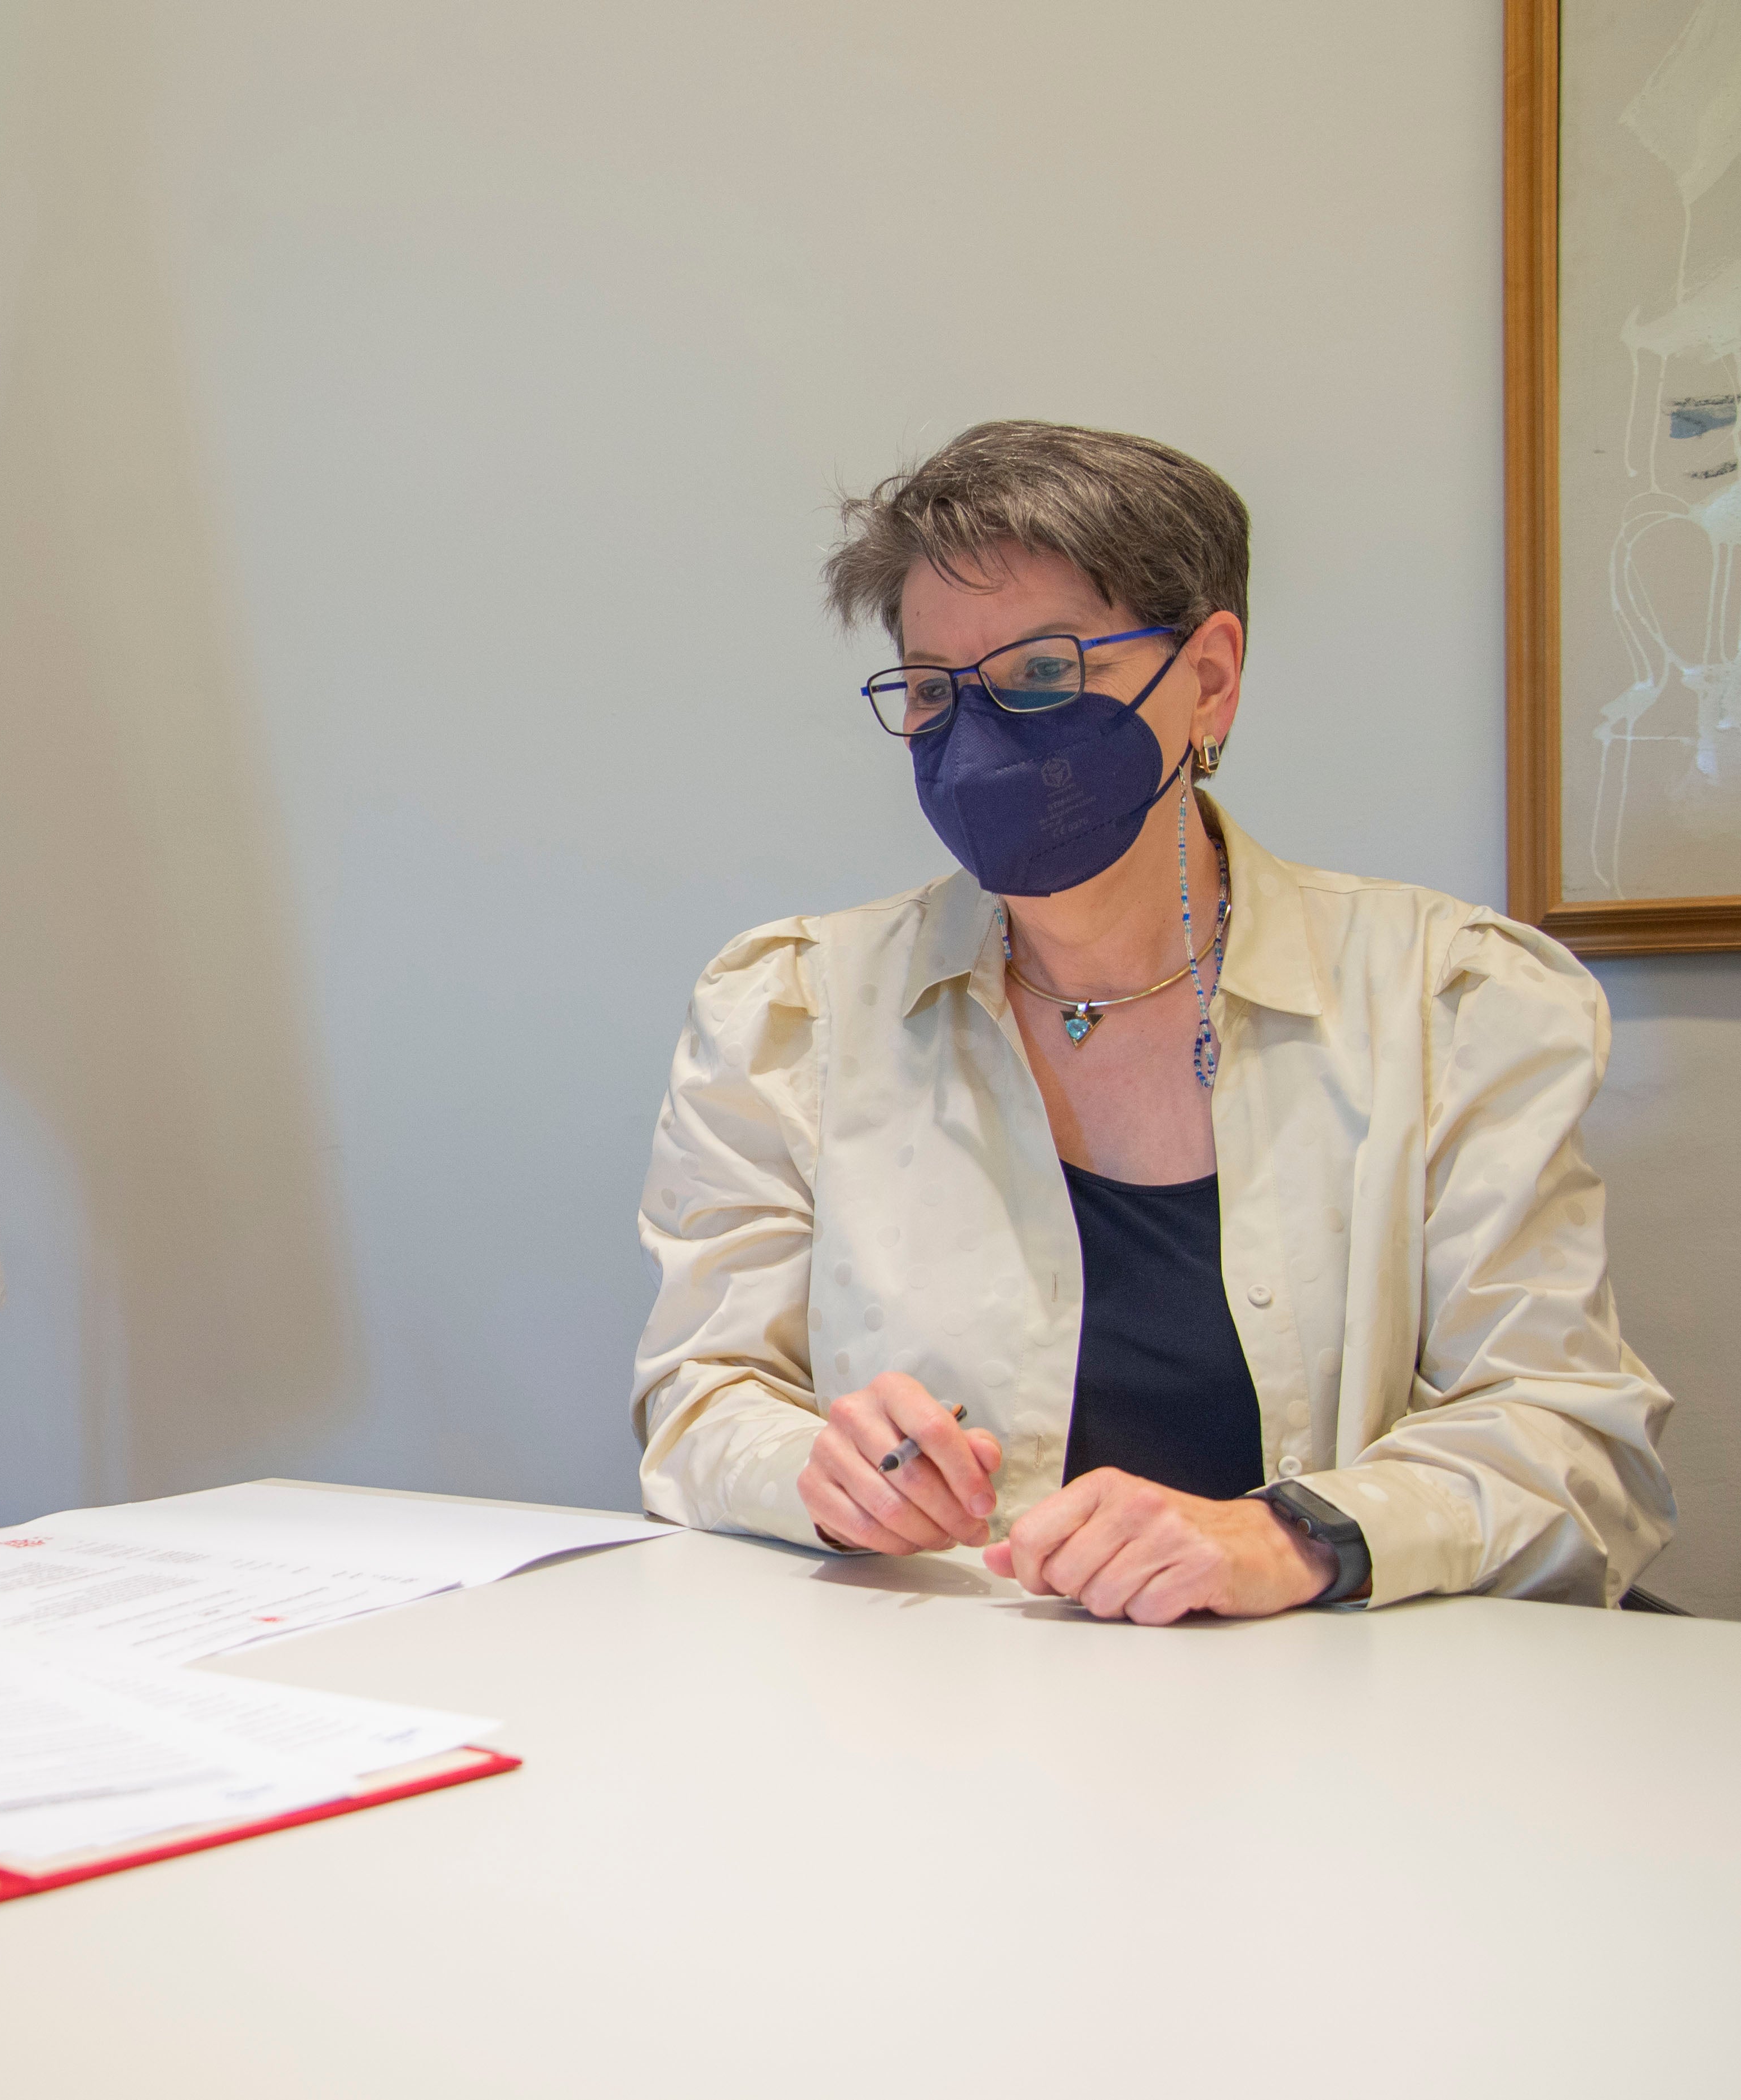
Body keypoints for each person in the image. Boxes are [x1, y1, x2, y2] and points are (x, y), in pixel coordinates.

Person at [631, 421, 1675, 1620]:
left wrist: (1290, 1538)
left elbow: (1577, 1445)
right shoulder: (792, 1009)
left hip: (1342, 1729)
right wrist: (816, 1474)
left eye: (1041, 675)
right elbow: (703, 1395)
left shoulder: (1455, 1003)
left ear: (1211, 676)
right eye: (933, 691)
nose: (976, 741)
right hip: (943, 1713)